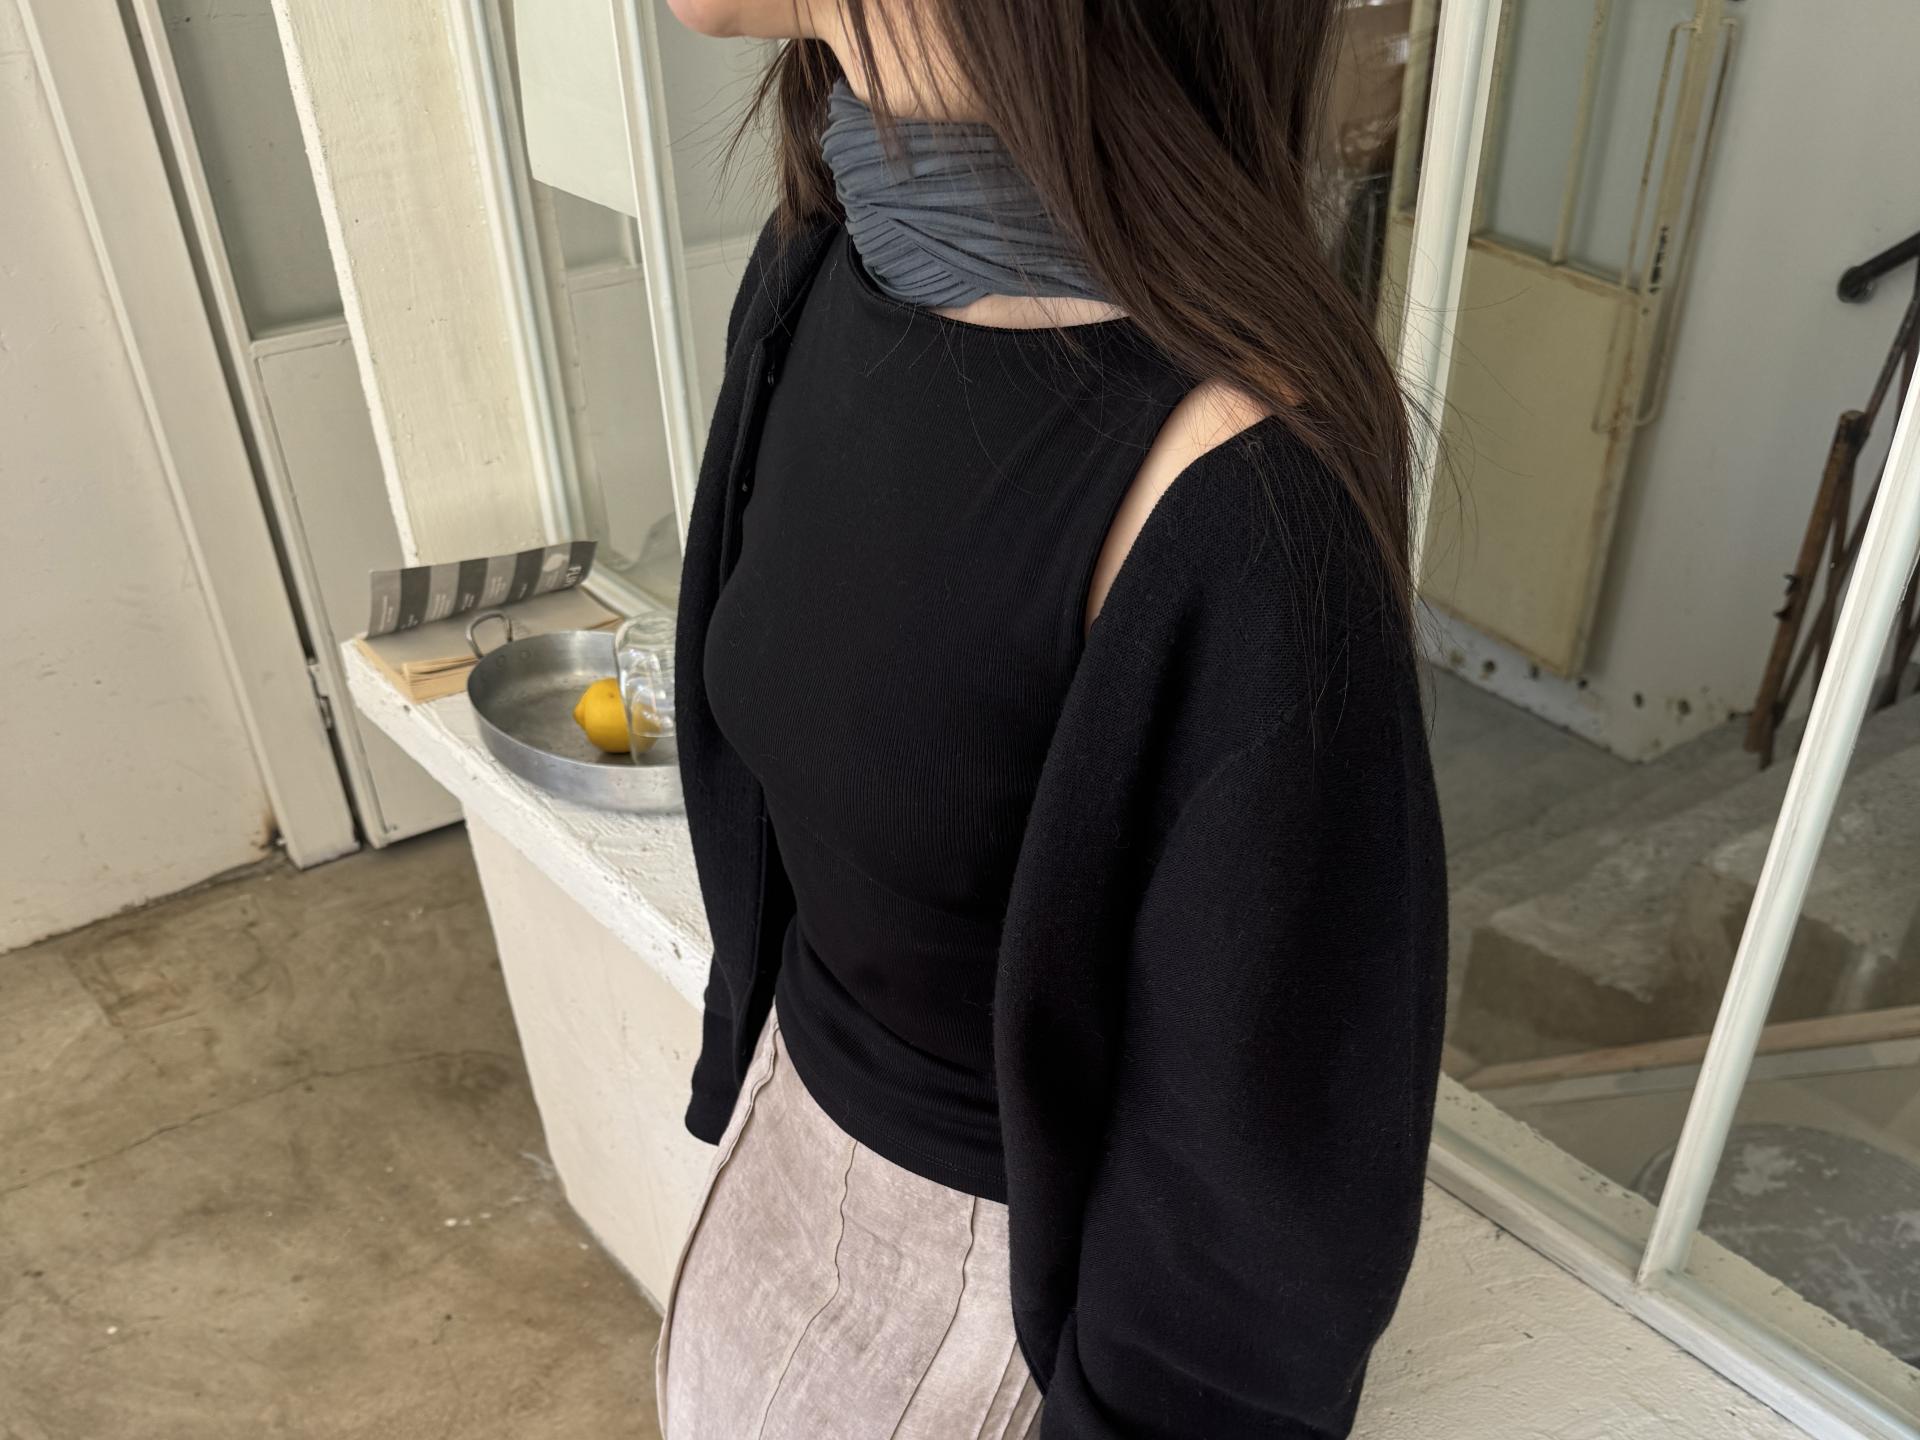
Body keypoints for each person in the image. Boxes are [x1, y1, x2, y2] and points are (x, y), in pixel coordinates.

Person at [656, 2, 1449, 1436]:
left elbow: (1256, 1231)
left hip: (994, 1333)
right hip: (774, 1203)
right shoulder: (821, 261)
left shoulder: (1243, 501)